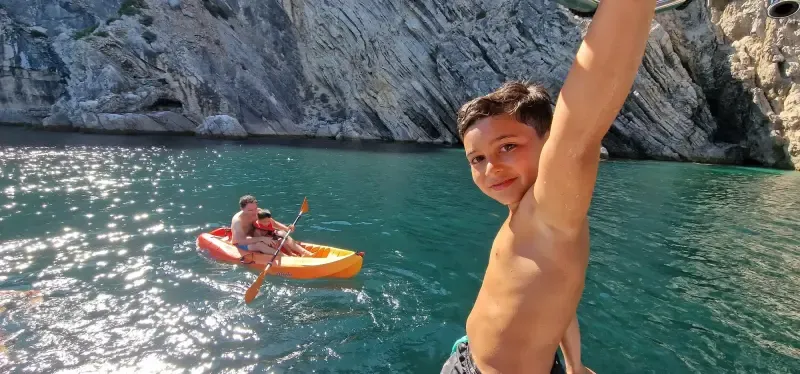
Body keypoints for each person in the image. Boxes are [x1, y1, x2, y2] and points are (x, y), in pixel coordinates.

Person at [441, 1, 658, 373]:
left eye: (508, 146)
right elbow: (560, 303)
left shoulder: (549, 212)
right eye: (476, 159)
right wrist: (574, 365)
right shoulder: (530, 220)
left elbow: (584, 118)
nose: (491, 167)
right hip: (467, 357)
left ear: (549, 144)